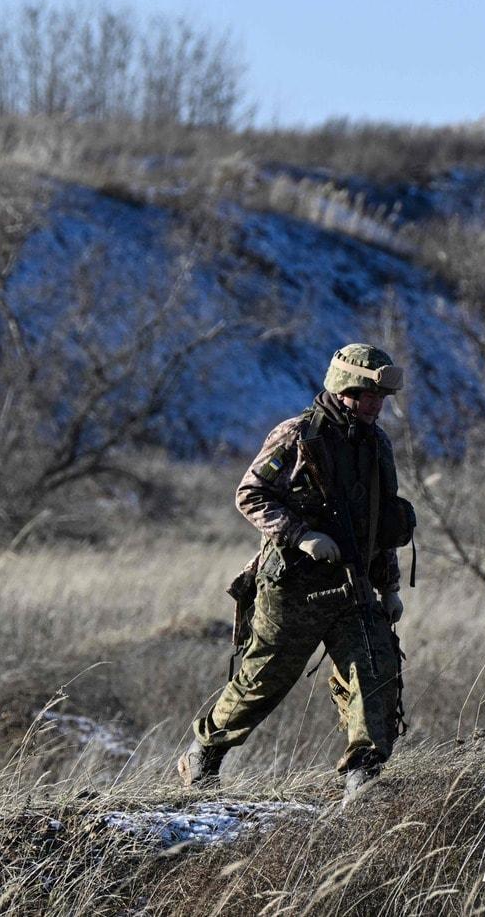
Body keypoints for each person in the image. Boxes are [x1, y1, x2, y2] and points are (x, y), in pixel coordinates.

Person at [179, 344, 416, 802]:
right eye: (369, 395)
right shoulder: (297, 435)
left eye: (381, 398)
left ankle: (362, 778)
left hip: (354, 586)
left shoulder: (377, 444)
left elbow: (379, 522)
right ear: (345, 389)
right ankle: (204, 753)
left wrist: (388, 587)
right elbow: (250, 494)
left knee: (374, 673)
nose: (377, 405)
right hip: (293, 587)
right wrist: (300, 534)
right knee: (263, 681)